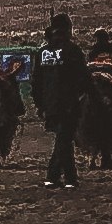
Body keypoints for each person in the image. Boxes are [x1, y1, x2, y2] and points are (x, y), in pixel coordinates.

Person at [32, 13, 89, 191]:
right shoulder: (72, 50)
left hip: (49, 104)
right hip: (69, 103)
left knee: (62, 138)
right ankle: (64, 178)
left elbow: (36, 82)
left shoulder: (42, 53)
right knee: (64, 140)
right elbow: (84, 77)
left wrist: (40, 105)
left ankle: (57, 177)